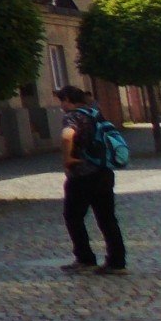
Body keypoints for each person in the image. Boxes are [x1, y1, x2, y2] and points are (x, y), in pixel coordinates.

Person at [57, 85, 126, 274]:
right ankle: (117, 262)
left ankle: (85, 259)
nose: (62, 106)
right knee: (107, 219)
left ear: (68, 100)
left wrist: (68, 159)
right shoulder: (95, 113)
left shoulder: (72, 116)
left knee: (73, 217)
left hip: (81, 174)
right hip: (103, 172)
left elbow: (67, 135)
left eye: (62, 101)